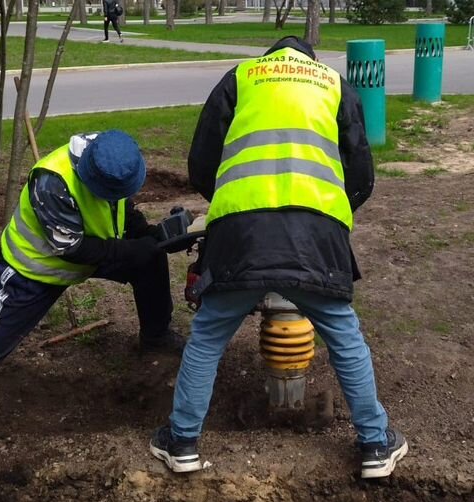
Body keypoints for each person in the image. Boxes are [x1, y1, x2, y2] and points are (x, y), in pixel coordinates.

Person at [149, 36, 408, 478]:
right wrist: (332, 214)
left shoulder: (241, 78)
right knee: (345, 339)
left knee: (208, 337)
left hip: (241, 236)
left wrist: (231, 203)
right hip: (316, 238)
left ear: (268, 57)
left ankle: (183, 442)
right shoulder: (335, 84)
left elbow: (201, 162)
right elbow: (360, 173)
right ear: (309, 60)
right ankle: (376, 445)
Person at [0, 129, 183, 453]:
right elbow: (72, 248)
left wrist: (148, 235)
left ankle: (156, 337)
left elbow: (122, 209)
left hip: (88, 254)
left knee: (152, 258)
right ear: (91, 176)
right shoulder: (52, 182)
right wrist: (135, 250)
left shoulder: (114, 160)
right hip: (32, 273)